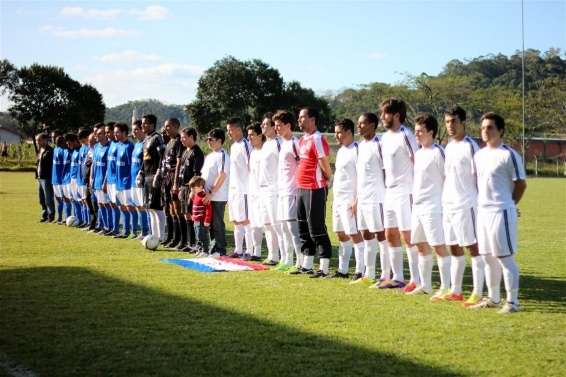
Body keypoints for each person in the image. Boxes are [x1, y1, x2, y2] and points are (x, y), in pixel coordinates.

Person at [470, 112, 526, 314]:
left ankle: (512, 302)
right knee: (487, 257)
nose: (485, 131)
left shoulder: (508, 154)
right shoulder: (478, 155)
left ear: (500, 130)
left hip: (501, 211)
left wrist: (510, 204)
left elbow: (521, 184)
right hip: (482, 212)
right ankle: (493, 298)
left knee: (504, 257)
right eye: (483, 127)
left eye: (490, 127)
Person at [442, 106, 485, 306]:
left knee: (473, 247)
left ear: (463, 123)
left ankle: (477, 292)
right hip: (449, 206)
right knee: (454, 247)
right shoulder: (448, 147)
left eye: (454, 122)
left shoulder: (471, 146)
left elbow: (482, 177)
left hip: (467, 204)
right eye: (447, 122)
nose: (450, 125)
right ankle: (456, 290)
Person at [407, 114, 451, 298]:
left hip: (434, 206)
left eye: (420, 131)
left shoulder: (438, 152)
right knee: (419, 244)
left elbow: (448, 178)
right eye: (415, 131)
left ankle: (446, 287)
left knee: (438, 246)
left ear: (431, 132)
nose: (416, 135)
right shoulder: (418, 153)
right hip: (417, 206)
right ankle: (425, 285)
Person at [379, 98, 419, 291]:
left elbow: (417, 162)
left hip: (406, 192)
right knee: (390, 234)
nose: (381, 117)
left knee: (407, 235)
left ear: (396, 115)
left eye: (385, 113)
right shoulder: (384, 138)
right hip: (390, 193)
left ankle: (416, 279)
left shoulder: (407, 135)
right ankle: (398, 277)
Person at [290, 107, 333, 278]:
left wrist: (328, 179)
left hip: (315, 189)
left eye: (302, 117)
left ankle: (324, 268)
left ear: (312, 119)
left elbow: (324, 162)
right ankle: (307, 265)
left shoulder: (318, 138)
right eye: (299, 118)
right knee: (303, 228)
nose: (299, 120)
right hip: (301, 188)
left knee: (317, 228)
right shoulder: (302, 140)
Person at [354, 113, 389, 287]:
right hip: (363, 199)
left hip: (377, 198)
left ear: (373, 125)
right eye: (358, 124)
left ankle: (386, 275)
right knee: (366, 235)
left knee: (381, 235)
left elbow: (386, 171)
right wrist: (357, 199)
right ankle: (369, 273)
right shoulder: (360, 146)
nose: (359, 126)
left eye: (362, 124)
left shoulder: (380, 144)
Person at [331, 118, 364, 279]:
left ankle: (360, 270)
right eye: (335, 132)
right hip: (338, 199)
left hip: (350, 199)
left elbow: (362, 176)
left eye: (339, 132)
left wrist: (357, 199)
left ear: (349, 132)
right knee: (340, 233)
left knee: (354, 234)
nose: (336, 136)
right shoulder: (342, 151)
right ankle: (342, 270)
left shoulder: (357, 150)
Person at [273, 110, 302, 270]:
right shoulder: (283, 143)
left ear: (288, 126)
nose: (276, 128)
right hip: (282, 192)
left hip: (293, 192)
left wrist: (298, 188)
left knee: (293, 228)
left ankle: (300, 261)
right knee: (283, 227)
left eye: (279, 125)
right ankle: (288, 260)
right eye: (275, 126)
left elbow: (301, 166)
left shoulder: (294, 143)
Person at [259, 113, 285, 267]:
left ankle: (284, 256)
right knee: (267, 224)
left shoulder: (278, 143)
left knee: (277, 224)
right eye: (262, 124)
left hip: (275, 189)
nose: (263, 127)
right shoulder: (265, 144)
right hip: (263, 189)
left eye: (265, 125)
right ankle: (272, 255)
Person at [226, 118, 253, 258]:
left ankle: (249, 250)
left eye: (230, 129)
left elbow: (251, 166)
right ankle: (238, 250)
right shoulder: (233, 146)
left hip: (245, 190)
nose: (228, 133)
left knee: (246, 221)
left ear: (237, 129)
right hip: (234, 190)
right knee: (236, 220)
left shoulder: (246, 145)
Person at [201, 128, 230, 256]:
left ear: (219, 140)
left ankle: (220, 249)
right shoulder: (209, 156)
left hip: (218, 196)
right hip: (207, 195)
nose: (209, 142)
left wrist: (211, 193)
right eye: (208, 139)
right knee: (210, 223)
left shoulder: (223, 155)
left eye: (211, 140)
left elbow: (222, 175)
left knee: (217, 223)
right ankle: (213, 248)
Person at [177, 127, 204, 252]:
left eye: (184, 137)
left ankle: (196, 244)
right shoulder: (185, 151)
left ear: (192, 137)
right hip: (183, 187)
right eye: (181, 137)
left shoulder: (197, 152)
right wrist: (178, 187)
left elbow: (196, 174)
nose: (182, 140)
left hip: (190, 188)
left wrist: (192, 191)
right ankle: (189, 242)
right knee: (186, 215)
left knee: (193, 216)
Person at [140, 114, 166, 245]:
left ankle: (161, 236)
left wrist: (158, 173)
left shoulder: (157, 138)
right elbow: (144, 159)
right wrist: (140, 172)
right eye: (142, 123)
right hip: (147, 176)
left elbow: (163, 157)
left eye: (145, 123)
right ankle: (154, 235)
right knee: (149, 207)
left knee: (157, 207)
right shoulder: (146, 139)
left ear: (151, 124)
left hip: (155, 177)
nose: (142, 125)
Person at [161, 118, 185, 249]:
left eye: (168, 126)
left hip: (173, 179)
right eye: (165, 126)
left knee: (177, 210)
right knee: (168, 209)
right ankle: (170, 237)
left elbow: (178, 163)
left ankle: (180, 239)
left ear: (176, 126)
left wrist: (175, 182)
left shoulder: (179, 142)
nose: (166, 129)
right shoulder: (168, 141)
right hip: (166, 179)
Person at [246, 123, 266, 261]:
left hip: (266, 192)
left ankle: (275, 254)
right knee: (254, 224)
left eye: (252, 134)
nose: (249, 138)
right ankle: (256, 251)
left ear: (260, 135)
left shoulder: (267, 150)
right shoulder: (252, 152)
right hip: (253, 192)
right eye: (248, 135)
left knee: (268, 225)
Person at [113, 122, 135, 238]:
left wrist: (129, 181)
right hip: (118, 183)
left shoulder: (129, 146)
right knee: (122, 207)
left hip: (126, 183)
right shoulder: (118, 146)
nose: (115, 134)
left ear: (124, 133)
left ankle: (134, 231)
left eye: (117, 132)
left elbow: (131, 166)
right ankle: (126, 231)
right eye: (114, 132)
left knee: (130, 207)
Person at [130, 120, 150, 239]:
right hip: (134, 180)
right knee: (138, 206)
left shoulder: (145, 144)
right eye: (133, 130)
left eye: (137, 129)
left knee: (144, 206)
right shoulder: (136, 144)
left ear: (142, 129)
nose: (134, 132)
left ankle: (146, 232)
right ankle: (142, 231)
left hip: (142, 181)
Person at [91, 126, 111, 233]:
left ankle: (109, 226)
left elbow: (109, 167)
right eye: (96, 134)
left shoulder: (109, 147)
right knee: (100, 204)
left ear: (105, 135)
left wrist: (105, 182)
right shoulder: (96, 147)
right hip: (96, 181)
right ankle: (103, 226)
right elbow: (94, 164)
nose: (97, 136)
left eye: (99, 134)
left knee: (107, 204)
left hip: (104, 182)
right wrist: (92, 178)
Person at [189, 176, 213, 256]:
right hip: (196, 220)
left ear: (201, 187)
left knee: (203, 235)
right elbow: (194, 207)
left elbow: (208, 209)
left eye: (194, 187)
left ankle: (205, 250)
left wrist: (207, 220)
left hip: (202, 221)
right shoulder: (195, 196)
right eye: (191, 187)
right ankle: (199, 249)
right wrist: (193, 216)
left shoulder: (204, 196)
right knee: (197, 236)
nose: (192, 189)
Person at [35, 133, 55, 222]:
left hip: (47, 177)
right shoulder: (40, 150)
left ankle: (51, 216)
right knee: (41, 198)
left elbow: (52, 165)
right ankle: (44, 215)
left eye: (39, 140)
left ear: (45, 140)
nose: (37, 142)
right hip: (40, 177)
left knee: (48, 198)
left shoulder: (50, 151)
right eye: (36, 140)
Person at [66, 133, 83, 225]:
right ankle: (77, 219)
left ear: (75, 141)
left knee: (80, 201)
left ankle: (82, 220)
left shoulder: (81, 150)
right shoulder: (73, 151)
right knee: (74, 200)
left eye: (69, 143)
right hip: (72, 179)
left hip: (78, 179)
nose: (68, 146)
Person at [51, 135, 68, 224]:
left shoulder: (64, 151)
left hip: (61, 180)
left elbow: (65, 166)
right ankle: (59, 217)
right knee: (58, 199)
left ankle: (66, 218)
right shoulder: (55, 149)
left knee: (64, 199)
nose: (55, 140)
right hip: (54, 179)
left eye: (57, 139)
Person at [77, 129, 92, 228]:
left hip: (87, 180)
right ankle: (86, 221)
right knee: (83, 201)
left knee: (88, 202)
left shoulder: (89, 149)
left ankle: (91, 222)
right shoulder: (82, 148)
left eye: (83, 141)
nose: (83, 143)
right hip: (81, 179)